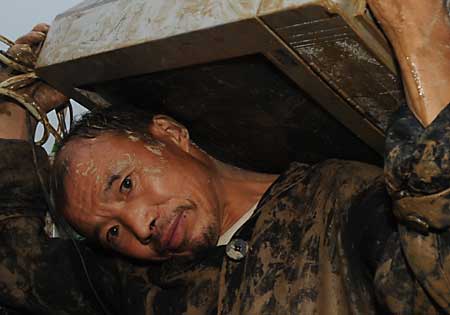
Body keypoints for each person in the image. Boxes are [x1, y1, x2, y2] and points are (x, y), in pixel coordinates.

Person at [0, 0, 449, 314]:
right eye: (111, 232)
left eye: (126, 185)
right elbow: (15, 264)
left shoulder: (335, 202)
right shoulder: (146, 288)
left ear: (171, 135)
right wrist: (14, 114)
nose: (141, 227)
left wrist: (419, 41)